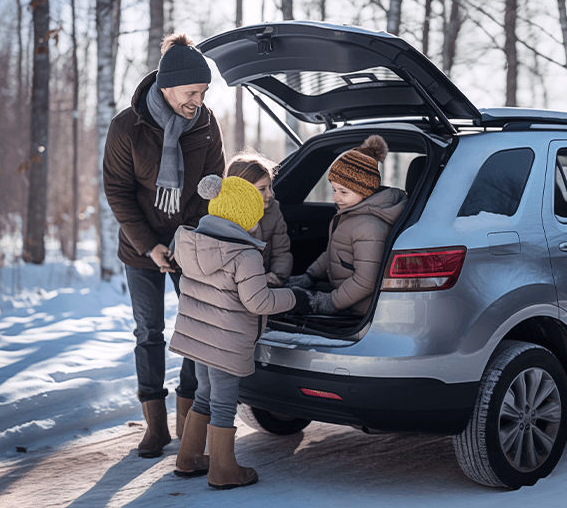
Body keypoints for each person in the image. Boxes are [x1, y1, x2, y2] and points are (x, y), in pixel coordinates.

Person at [102, 32, 226, 459]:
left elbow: (213, 192)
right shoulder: (127, 127)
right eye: (192, 91)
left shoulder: (207, 126)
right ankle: (154, 427)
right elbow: (117, 191)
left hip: (189, 243)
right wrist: (151, 246)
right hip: (140, 246)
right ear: (167, 87)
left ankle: (187, 421)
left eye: (204, 91)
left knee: (194, 331)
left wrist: (189, 241)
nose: (199, 99)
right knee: (148, 331)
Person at [169, 174, 310, 489]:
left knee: (204, 394)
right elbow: (258, 301)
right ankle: (223, 470)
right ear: (245, 218)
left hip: (198, 338)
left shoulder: (192, 242)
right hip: (225, 342)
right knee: (222, 401)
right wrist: (295, 299)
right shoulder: (244, 255)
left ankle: (188, 458)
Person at [286, 135, 408, 315]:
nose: (335, 198)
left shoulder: (369, 228)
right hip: (345, 294)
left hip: (358, 306)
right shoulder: (351, 214)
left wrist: (332, 301)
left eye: (343, 192)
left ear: (364, 190)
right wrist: (310, 276)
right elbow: (335, 253)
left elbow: (366, 281)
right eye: (334, 190)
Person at [224, 150, 292, 287]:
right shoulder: (224, 216)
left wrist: (277, 277)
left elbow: (281, 252)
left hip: (266, 283)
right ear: (243, 190)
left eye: (270, 187)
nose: (270, 194)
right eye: (262, 189)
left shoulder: (273, 210)